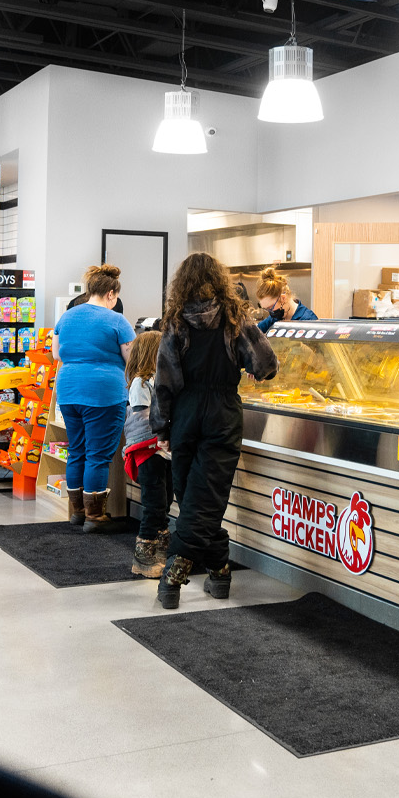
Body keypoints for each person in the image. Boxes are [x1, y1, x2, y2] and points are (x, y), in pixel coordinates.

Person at [148, 253, 278, 608]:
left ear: (182, 283)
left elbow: (164, 381)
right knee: (203, 499)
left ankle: (173, 575)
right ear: (219, 280)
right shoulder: (236, 319)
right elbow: (267, 364)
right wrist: (249, 369)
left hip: (185, 415)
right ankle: (219, 569)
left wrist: (161, 427)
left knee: (194, 497)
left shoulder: (175, 322)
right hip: (223, 413)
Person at [53, 264, 134, 531]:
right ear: (111, 294)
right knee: (98, 455)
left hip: (68, 390)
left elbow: (56, 354)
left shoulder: (67, 317)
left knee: (77, 450)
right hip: (103, 392)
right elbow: (132, 360)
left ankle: (78, 512)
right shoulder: (117, 320)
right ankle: (95, 516)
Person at [122, 331, 176, 578]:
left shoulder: (160, 380)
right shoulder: (141, 383)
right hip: (148, 452)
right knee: (154, 504)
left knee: (165, 500)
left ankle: (162, 548)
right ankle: (143, 556)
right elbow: (142, 418)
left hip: (163, 452)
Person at [255, 266, 317, 332]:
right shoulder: (274, 319)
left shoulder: (308, 320)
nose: (270, 312)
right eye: (266, 309)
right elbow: (255, 331)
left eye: (271, 307)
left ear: (283, 298)